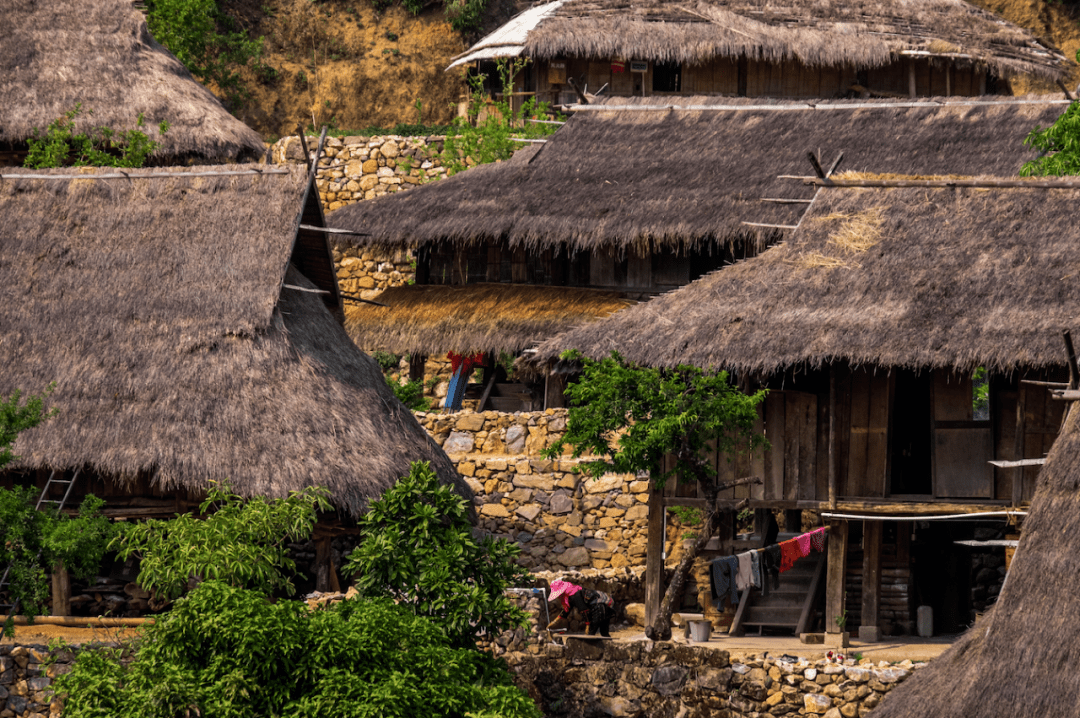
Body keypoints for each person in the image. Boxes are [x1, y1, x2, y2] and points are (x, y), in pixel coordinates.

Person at [546, 579, 616, 637]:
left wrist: (587, 626)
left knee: (590, 635)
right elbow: (565, 612)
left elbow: (584, 610)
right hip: (606, 606)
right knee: (604, 633)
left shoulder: (575, 595)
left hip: (599, 607)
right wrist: (553, 624)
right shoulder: (572, 593)